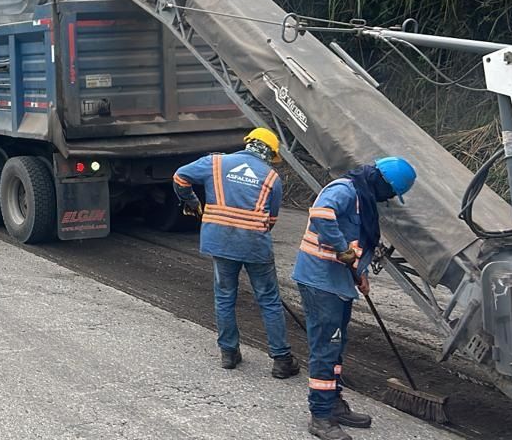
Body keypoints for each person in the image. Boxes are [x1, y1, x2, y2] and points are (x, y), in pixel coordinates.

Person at [293, 156, 416, 440]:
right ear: (383, 183)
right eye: (390, 193)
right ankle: (320, 416)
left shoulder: (363, 197)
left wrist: (359, 272)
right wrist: (341, 250)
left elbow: (355, 241)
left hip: (338, 282)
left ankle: (334, 404)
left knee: (336, 346)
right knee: (326, 347)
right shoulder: (346, 189)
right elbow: (322, 213)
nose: (387, 199)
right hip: (320, 281)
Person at [173, 128, 300, 378]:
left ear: (249, 143)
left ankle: (229, 353)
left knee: (224, 296)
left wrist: (192, 202)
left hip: (220, 242)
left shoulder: (216, 162)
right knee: (269, 300)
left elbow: (180, 178)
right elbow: (271, 219)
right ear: (268, 153)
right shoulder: (272, 178)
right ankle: (282, 360)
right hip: (255, 245)